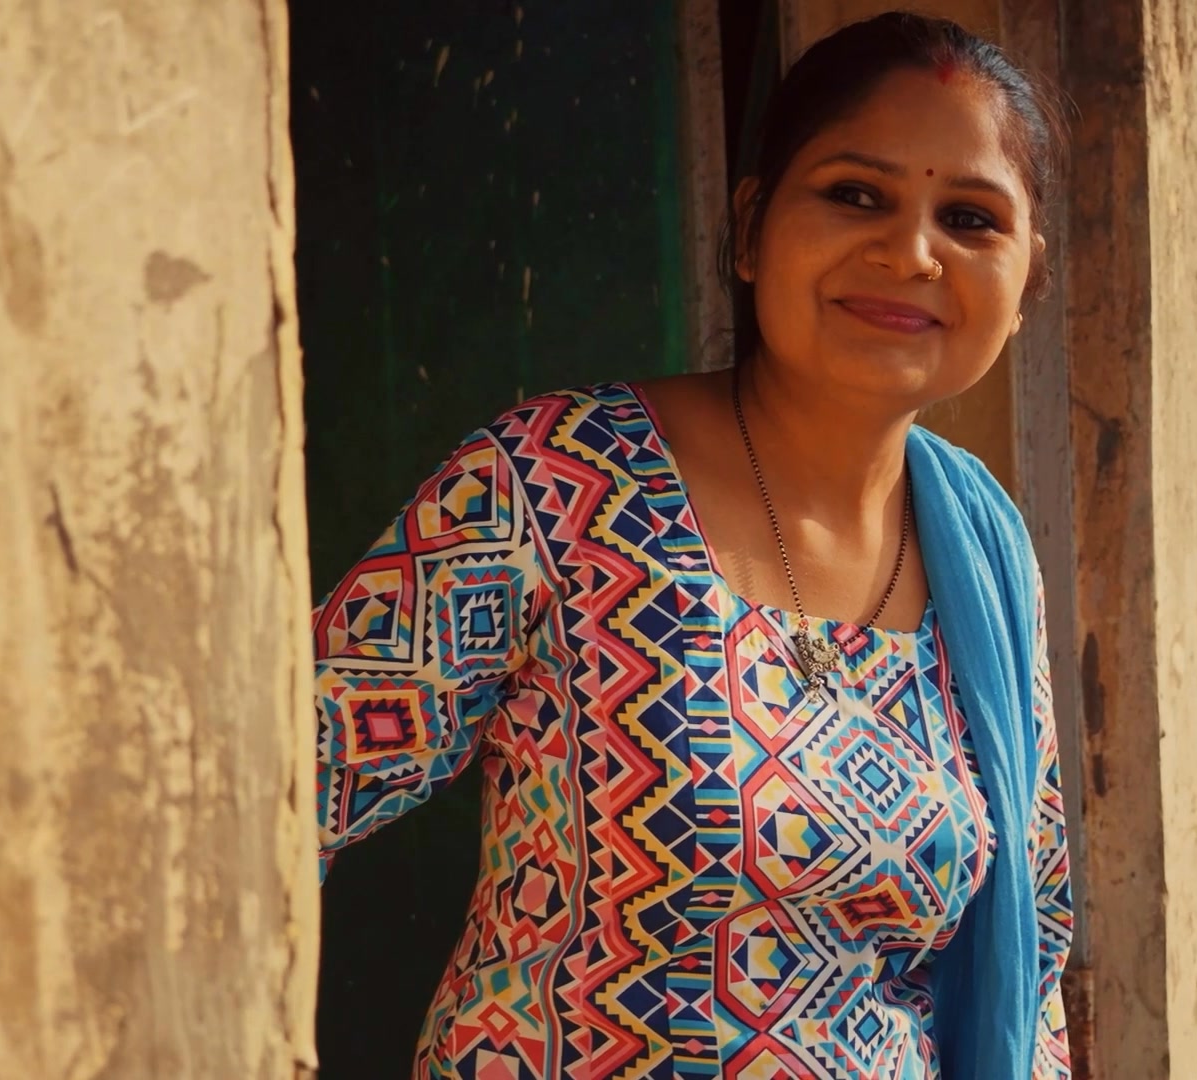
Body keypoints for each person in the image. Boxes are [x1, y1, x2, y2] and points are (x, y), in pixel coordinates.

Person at [313, 12, 1073, 1078]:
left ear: (1027, 277)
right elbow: (281, 784)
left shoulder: (984, 561)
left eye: (970, 217)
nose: (909, 251)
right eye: (856, 194)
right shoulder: (557, 484)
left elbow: (1027, 974)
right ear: (755, 227)